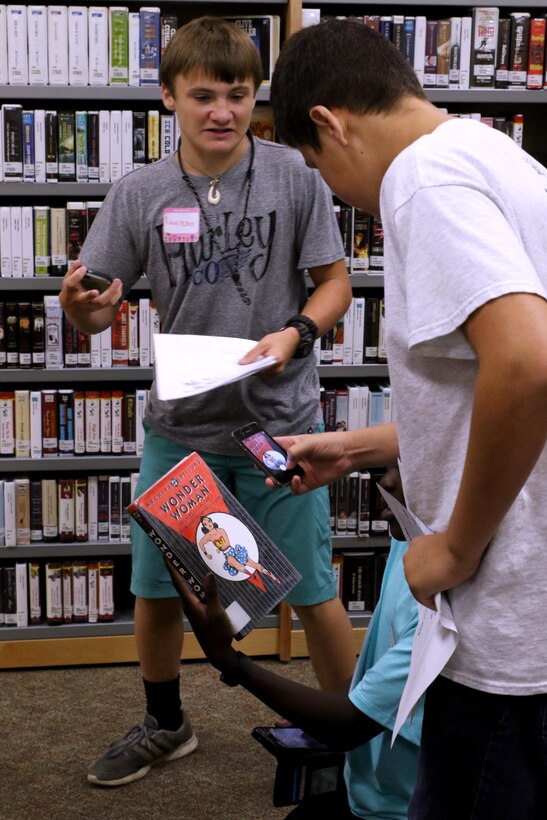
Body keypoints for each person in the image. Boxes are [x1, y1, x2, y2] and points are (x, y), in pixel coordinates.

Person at [59, 16, 356, 787]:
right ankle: (166, 724)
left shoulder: (295, 175)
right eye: (202, 95)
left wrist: (294, 333)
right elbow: (94, 312)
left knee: (314, 593)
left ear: (254, 95)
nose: (221, 110)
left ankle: (352, 735)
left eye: (237, 93)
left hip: (281, 427)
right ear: (168, 98)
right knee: (156, 592)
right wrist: (81, 307)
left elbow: (334, 283)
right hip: (181, 428)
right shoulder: (141, 192)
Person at [267, 19, 547, 820]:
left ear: (328, 122)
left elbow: (524, 363)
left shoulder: (421, 181)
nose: (333, 191)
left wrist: (453, 549)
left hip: (504, 623)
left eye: (318, 168)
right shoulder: (495, 155)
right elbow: (489, 383)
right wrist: (357, 447)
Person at [171, 466, 422, 819]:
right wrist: (314, 711)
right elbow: (374, 677)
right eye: (388, 464)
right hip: (366, 789)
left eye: (409, 467)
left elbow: (348, 724)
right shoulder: (409, 539)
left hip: (399, 809)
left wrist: (229, 660)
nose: (385, 482)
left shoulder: (446, 605)